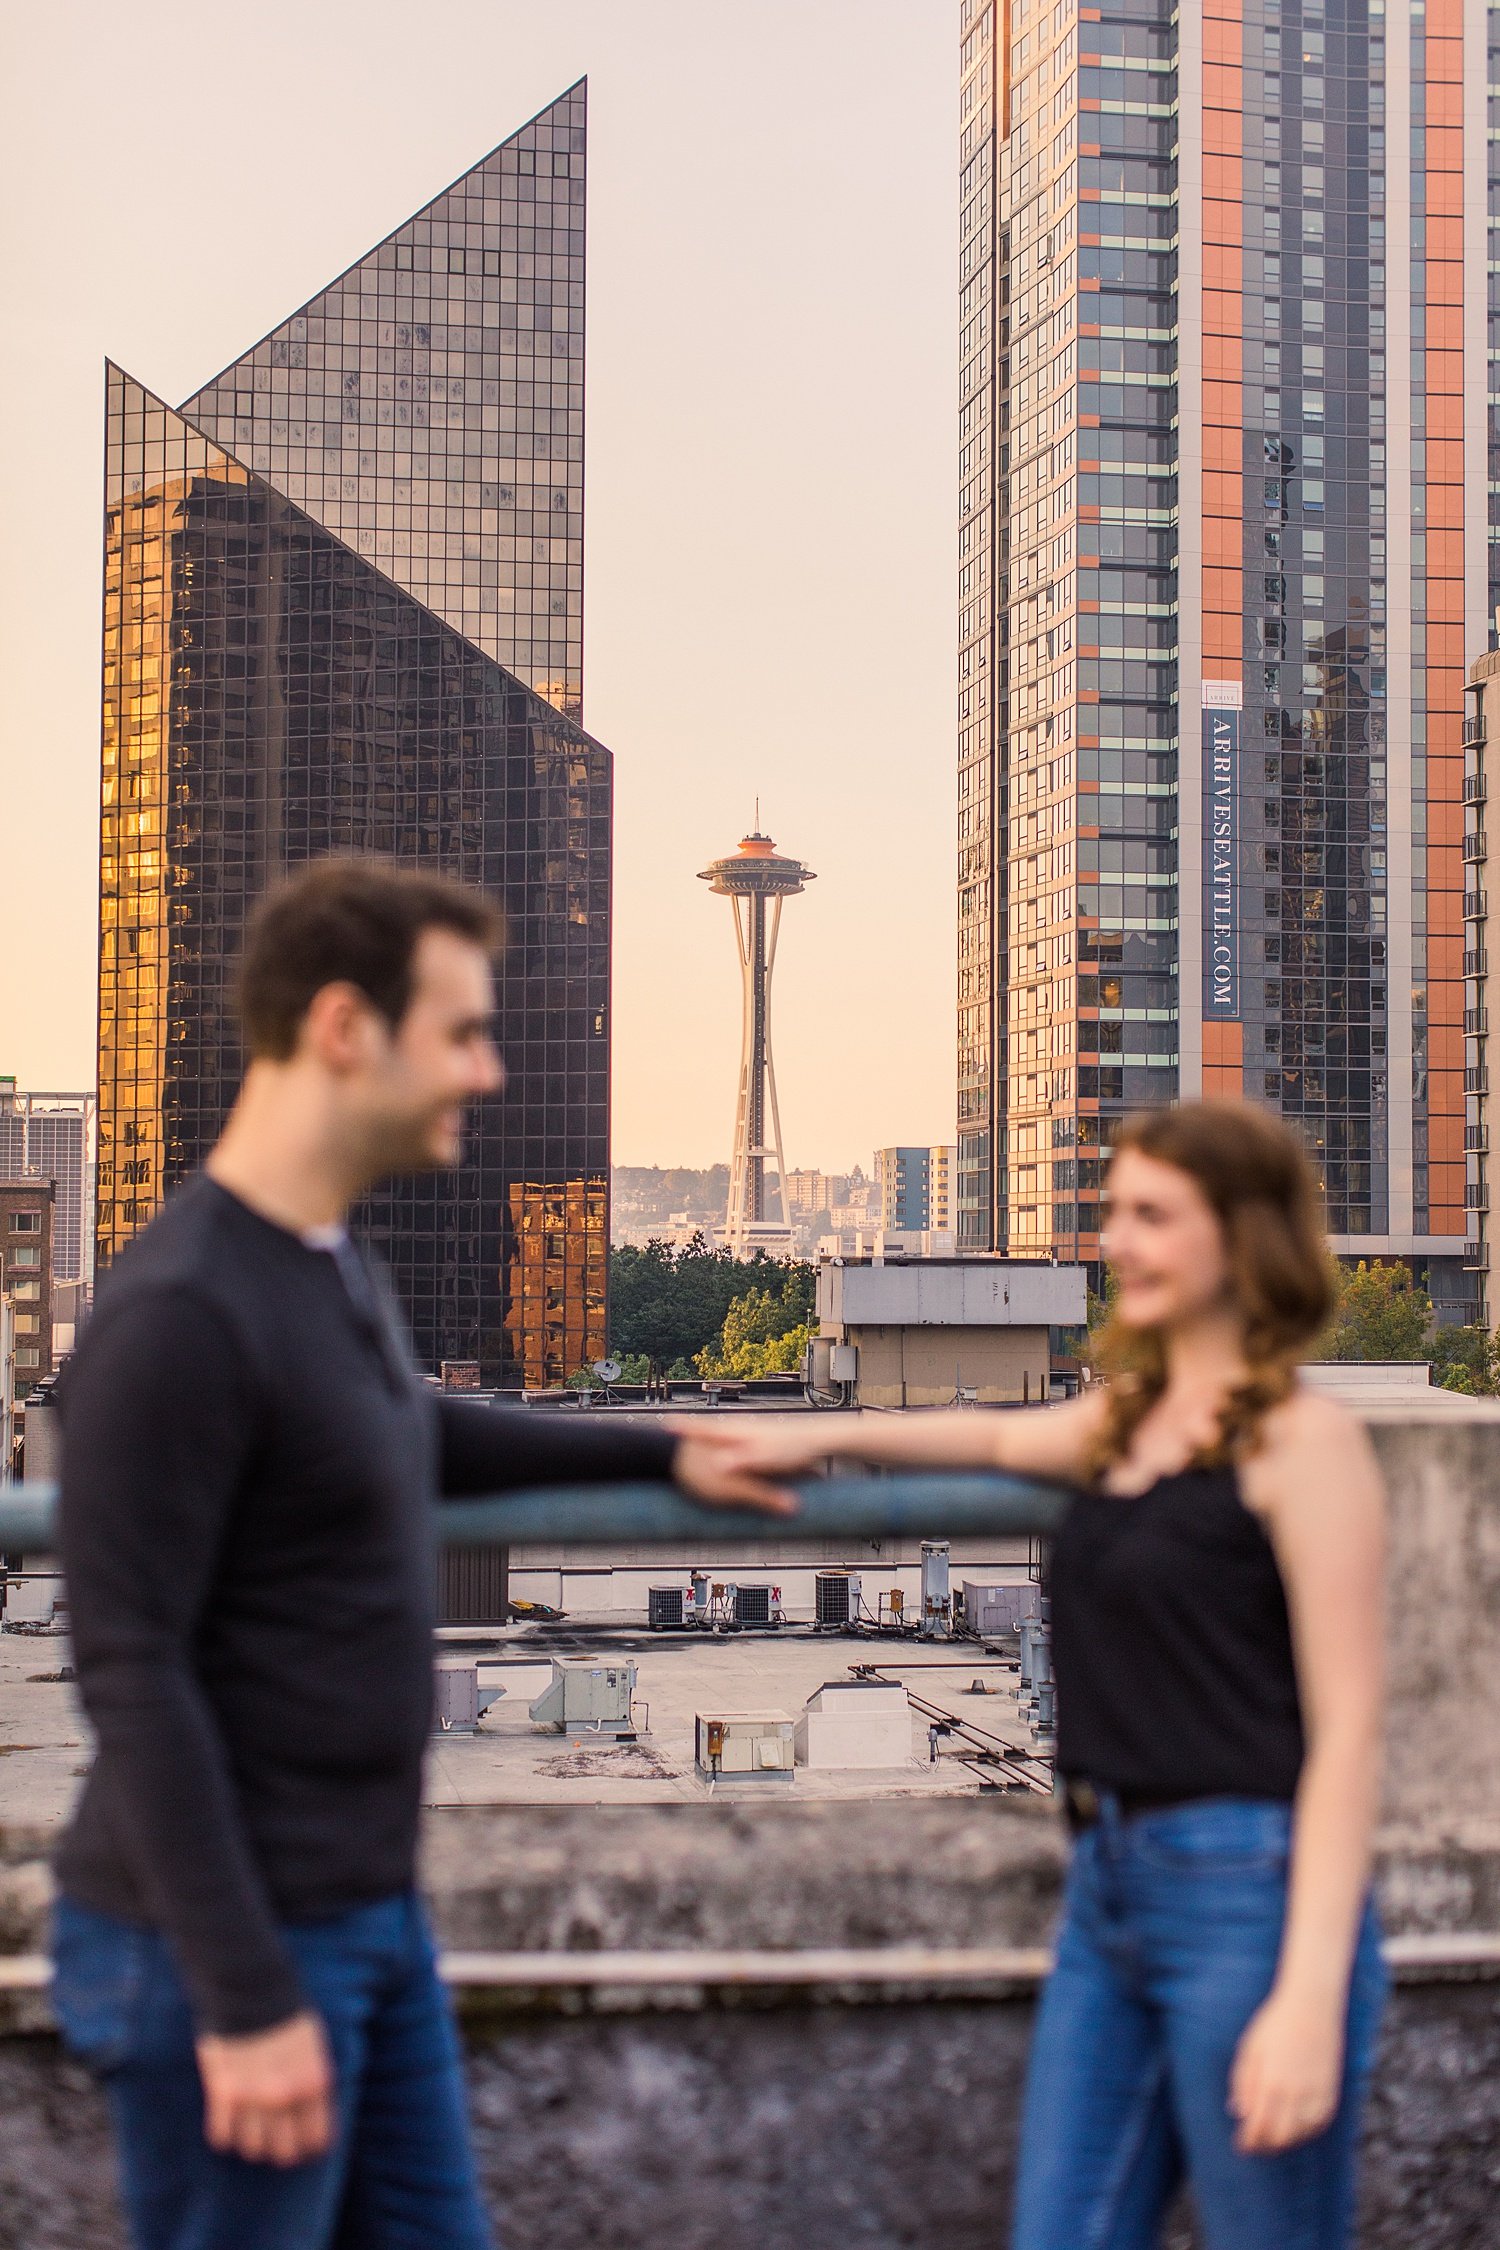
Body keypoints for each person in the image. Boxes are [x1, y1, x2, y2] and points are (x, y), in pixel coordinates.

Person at [52, 858, 791, 2250]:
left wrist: (663, 1448)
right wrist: (247, 1994)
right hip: (227, 1946)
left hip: (364, 1913)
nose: (489, 1070)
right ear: (346, 1026)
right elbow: (129, 1671)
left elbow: (406, 1430)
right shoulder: (177, 1311)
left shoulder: (320, 1260)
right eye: (459, 1030)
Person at [687, 1100, 1388, 2250]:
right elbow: (988, 1438)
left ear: (1243, 1235)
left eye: (1153, 1216)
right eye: (1116, 1213)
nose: (1115, 1241)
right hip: (1107, 1888)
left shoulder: (1304, 1448)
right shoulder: (1127, 1423)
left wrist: (1308, 1997)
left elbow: (1351, 1736)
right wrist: (803, 1438)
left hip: (1248, 1898)